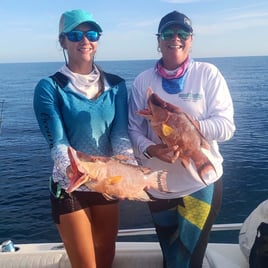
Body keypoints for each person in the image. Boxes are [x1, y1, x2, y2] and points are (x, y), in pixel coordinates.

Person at [128, 10, 236, 268]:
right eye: (167, 33)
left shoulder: (207, 74)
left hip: (201, 184)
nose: (175, 38)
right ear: (158, 40)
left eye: (182, 33)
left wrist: (187, 125)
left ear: (191, 39)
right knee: (171, 258)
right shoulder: (144, 81)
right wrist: (153, 150)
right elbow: (133, 131)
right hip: (159, 188)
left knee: (190, 260)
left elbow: (226, 127)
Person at [33, 9, 135, 268]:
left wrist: (129, 169)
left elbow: (120, 134)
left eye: (91, 34)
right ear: (62, 42)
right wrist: (75, 169)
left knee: (105, 258)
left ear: (98, 40)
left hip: (106, 183)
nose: (85, 41)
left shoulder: (117, 86)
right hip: (70, 185)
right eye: (75, 35)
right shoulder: (50, 87)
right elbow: (57, 143)